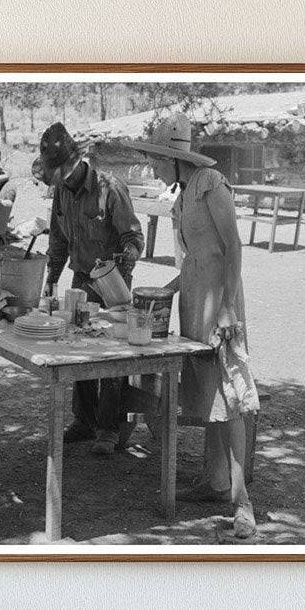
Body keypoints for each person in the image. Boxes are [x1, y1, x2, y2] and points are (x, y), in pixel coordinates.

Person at [124, 113, 259, 540]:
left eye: (159, 159)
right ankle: (214, 482)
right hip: (195, 300)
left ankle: (244, 504)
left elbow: (231, 246)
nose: (155, 167)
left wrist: (226, 310)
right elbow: (194, 258)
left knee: (232, 395)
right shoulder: (182, 196)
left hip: (220, 301)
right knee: (210, 395)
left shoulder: (210, 185)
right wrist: (164, 288)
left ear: (176, 159)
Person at [38, 122, 145, 455]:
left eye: (60, 171)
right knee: (78, 350)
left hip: (112, 283)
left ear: (74, 162)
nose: (58, 179)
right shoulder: (61, 193)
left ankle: (109, 429)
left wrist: (125, 260)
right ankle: (84, 420)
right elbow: (57, 240)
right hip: (80, 281)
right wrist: (51, 281)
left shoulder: (109, 188)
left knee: (110, 357)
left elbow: (134, 238)